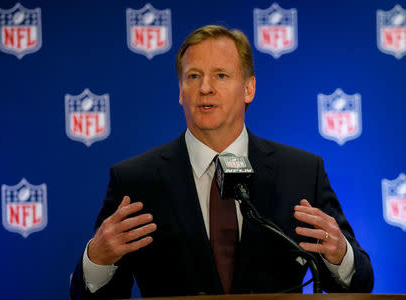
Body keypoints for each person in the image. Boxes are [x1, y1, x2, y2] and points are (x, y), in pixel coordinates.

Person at [70, 25, 374, 299]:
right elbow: (96, 298)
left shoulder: (301, 173)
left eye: (221, 75)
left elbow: (359, 284)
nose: (205, 88)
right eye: (193, 76)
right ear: (180, 92)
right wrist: (98, 259)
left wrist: (340, 254)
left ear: (249, 89)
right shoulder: (136, 180)